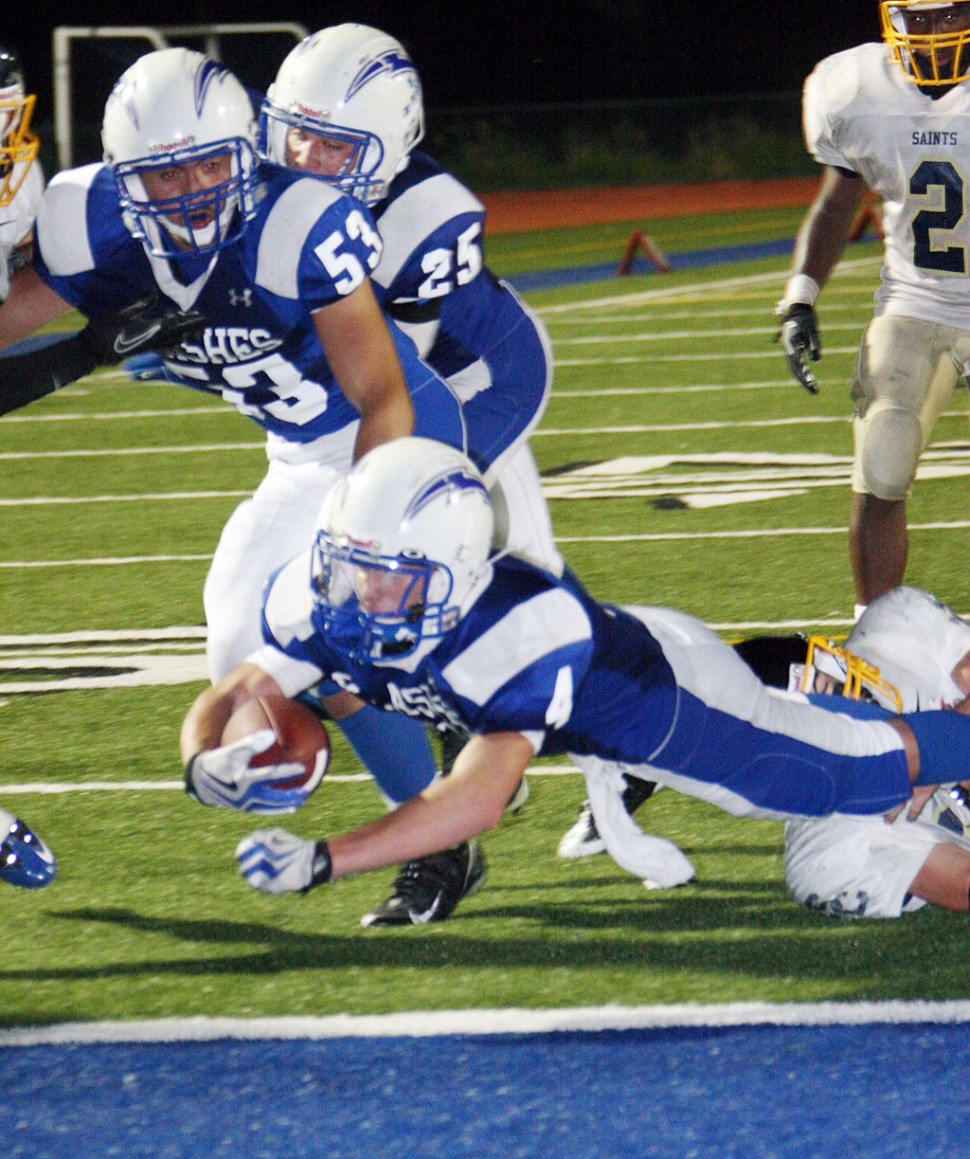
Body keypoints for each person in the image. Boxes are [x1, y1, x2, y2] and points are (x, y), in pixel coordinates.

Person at [0, 47, 475, 915]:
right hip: (297, 455)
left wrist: (360, 538)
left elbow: (383, 394)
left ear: (247, 154)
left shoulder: (298, 223)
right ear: (121, 176)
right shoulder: (85, 224)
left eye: (206, 166)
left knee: (335, 631)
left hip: (389, 439)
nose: (186, 192)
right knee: (238, 649)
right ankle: (426, 742)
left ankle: (444, 829)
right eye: (161, 174)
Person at [176, 438, 965, 904]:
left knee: (865, 772)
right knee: (870, 756)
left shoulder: (517, 627)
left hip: (681, 710)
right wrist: (205, 759)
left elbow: (478, 798)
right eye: (351, 566)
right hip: (625, 678)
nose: (363, 594)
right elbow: (243, 688)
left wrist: (327, 856)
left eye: (389, 576)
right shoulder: (333, 594)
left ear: (453, 570)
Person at [252, 24, 559, 923]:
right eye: (293, 134)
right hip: (370, 401)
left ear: (386, 153)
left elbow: (385, 382)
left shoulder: (420, 221)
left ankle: (469, 801)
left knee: (451, 596)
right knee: (329, 615)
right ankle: (447, 787)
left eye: (335, 146)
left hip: (472, 385)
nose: (304, 159)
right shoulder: (264, 193)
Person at [776, 0, 970, 616]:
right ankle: (878, 635)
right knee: (881, 457)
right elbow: (837, 206)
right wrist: (800, 298)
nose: (937, 33)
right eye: (922, 18)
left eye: (951, 15)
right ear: (892, 20)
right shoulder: (855, 88)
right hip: (916, 300)